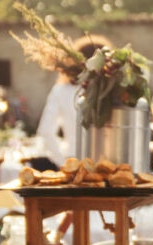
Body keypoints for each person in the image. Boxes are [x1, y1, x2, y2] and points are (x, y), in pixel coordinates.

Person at [36, 35, 111, 167]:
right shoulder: (111, 90)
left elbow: (45, 131)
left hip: (75, 160)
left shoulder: (61, 90)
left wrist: (64, 164)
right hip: (109, 164)